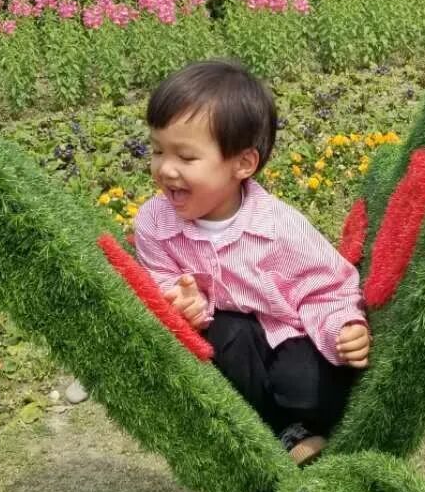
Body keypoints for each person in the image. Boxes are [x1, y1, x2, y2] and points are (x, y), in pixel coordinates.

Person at [132, 59, 370, 465]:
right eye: (157, 150)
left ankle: (309, 425)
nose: (165, 169)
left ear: (243, 164)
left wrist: (344, 328)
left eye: (185, 157)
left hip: (289, 337)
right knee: (229, 330)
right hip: (227, 349)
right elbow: (161, 281)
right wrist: (183, 303)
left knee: (313, 389)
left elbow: (327, 287)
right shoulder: (154, 224)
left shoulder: (278, 227)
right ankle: (283, 433)